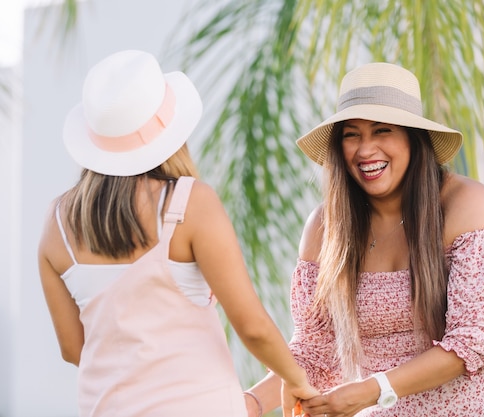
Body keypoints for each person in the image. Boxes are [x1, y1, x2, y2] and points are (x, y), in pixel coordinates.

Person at [244, 62, 484, 416]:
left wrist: (374, 390)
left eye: (382, 130)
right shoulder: (324, 229)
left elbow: (473, 341)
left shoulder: (464, 205)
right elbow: (315, 352)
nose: (365, 149)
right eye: (351, 134)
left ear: (412, 138)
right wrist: (246, 404)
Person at [38, 49, 318, 417]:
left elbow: (74, 349)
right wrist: (296, 381)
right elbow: (252, 327)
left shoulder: (56, 224)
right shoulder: (188, 204)